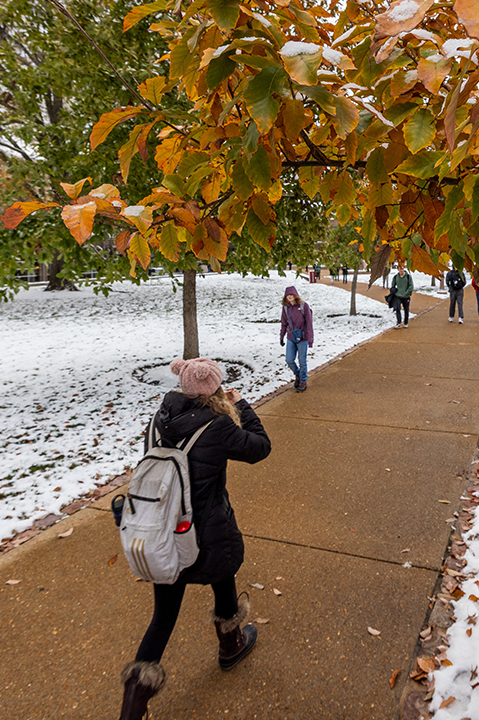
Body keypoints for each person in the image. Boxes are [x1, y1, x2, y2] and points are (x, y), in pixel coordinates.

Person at [119, 357, 271, 720]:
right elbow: (260, 448)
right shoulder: (219, 424)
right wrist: (242, 407)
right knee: (222, 576)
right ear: (217, 389)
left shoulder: (161, 419)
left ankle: (133, 703)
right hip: (208, 532)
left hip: (164, 535)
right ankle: (230, 644)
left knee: (163, 616)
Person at [280, 285, 314, 392]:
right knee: (289, 360)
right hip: (291, 337)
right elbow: (283, 323)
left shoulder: (304, 306)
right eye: (287, 295)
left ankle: (303, 380)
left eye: (291, 295)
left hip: (303, 337)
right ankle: (298, 374)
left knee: (302, 360)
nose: (289, 297)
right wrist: (282, 336)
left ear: (295, 295)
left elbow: (309, 323)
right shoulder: (285, 308)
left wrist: (310, 339)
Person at [391, 261, 414, 328]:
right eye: (400, 269)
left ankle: (406, 322)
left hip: (406, 296)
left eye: (402, 268)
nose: (401, 270)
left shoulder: (408, 277)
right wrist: (394, 290)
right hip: (398, 296)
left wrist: (407, 292)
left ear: (404, 269)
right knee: (397, 308)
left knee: (406, 309)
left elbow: (411, 286)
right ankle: (399, 323)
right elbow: (393, 285)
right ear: (398, 270)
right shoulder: (395, 277)